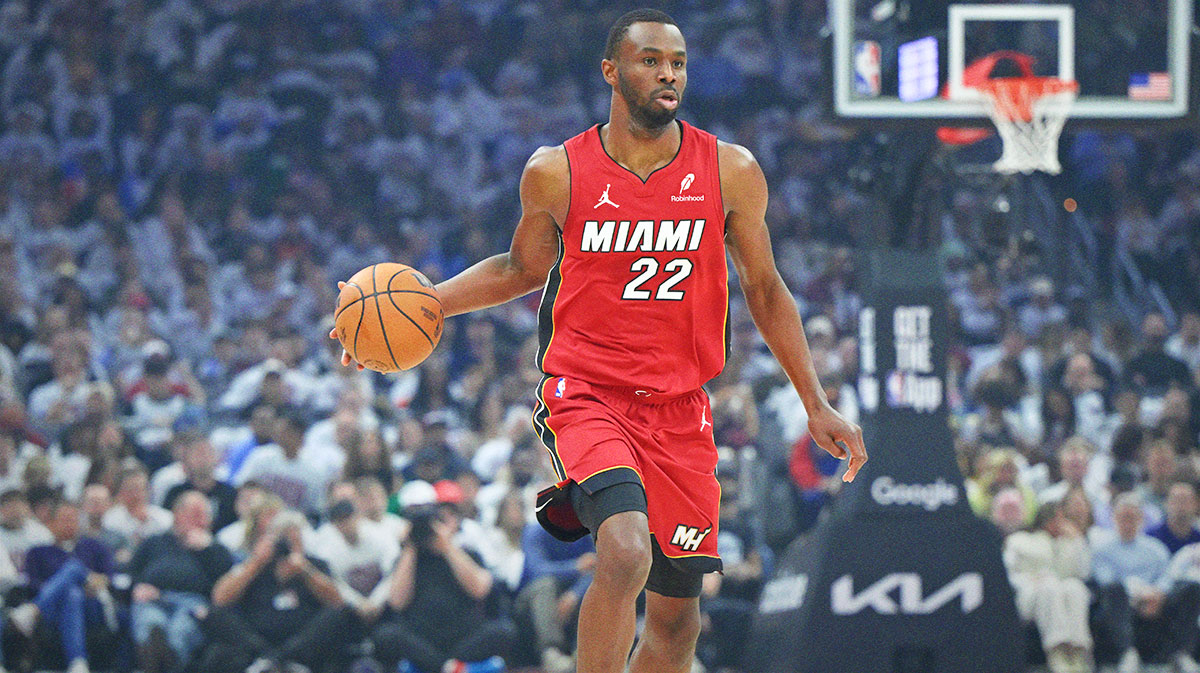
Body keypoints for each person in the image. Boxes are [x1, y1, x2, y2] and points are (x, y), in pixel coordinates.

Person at [333, 9, 866, 673]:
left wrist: (815, 401)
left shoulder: (731, 171)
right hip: (588, 393)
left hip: (681, 408)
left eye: (677, 61)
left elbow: (765, 289)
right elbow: (519, 269)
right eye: (650, 59)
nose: (668, 72)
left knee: (675, 624)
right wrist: (416, 307)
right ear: (612, 71)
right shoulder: (556, 172)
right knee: (623, 548)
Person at [204, 509, 348, 673]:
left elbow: (337, 601)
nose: (289, 546)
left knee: (339, 615)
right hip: (257, 640)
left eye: (295, 539)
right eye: (285, 540)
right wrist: (255, 563)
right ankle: (269, 660)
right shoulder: (256, 564)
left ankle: (281, 660)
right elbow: (220, 598)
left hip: (302, 641)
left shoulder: (315, 565)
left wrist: (305, 570)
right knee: (215, 615)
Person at [1092, 492, 1200, 673]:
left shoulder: (1155, 548)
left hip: (1156, 600)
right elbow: (1105, 580)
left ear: (1141, 519)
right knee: (1113, 590)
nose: (1128, 523)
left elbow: (1167, 576)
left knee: (1191, 587)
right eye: (1123, 518)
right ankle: (1127, 653)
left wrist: (1158, 592)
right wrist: (1140, 594)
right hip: (1123, 602)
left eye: (1132, 518)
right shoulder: (1102, 549)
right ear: (1114, 519)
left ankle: (1182, 654)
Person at [127, 490, 234, 673]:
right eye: (195, 515)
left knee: (179, 632)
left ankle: (165, 660)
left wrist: (207, 550)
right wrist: (137, 587)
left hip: (192, 603)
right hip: (153, 599)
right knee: (151, 623)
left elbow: (224, 584)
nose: (200, 521)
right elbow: (131, 572)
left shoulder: (217, 550)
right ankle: (155, 649)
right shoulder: (154, 542)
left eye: (204, 515)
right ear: (177, 515)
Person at [1002, 502, 1092, 673]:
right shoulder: (1019, 541)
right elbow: (1007, 573)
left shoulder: (1069, 543)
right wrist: (1029, 579)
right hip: (1030, 596)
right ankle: (1057, 653)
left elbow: (1084, 573)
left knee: (1075, 588)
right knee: (1048, 586)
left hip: (1061, 595)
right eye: (1057, 519)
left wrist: (1077, 540)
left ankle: (1077, 652)